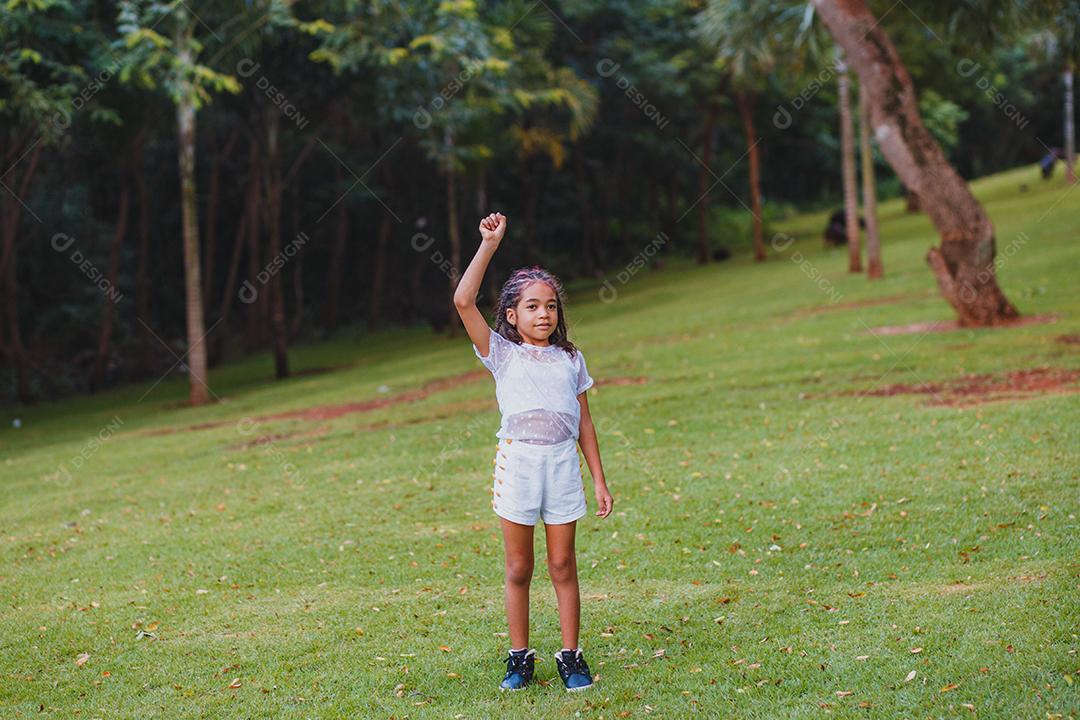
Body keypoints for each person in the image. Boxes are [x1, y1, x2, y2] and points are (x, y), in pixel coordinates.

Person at [453, 212, 614, 693]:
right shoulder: (502, 353)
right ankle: (519, 658)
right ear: (511, 315)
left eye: (550, 306)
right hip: (519, 466)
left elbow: (585, 423)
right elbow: (463, 300)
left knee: (563, 566)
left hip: (562, 467)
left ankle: (571, 656)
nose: (544, 314)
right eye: (531, 307)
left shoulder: (571, 358)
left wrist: (599, 479)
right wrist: (489, 246)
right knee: (519, 568)